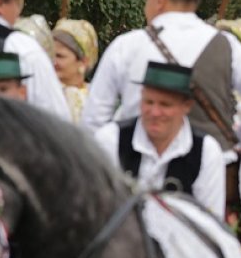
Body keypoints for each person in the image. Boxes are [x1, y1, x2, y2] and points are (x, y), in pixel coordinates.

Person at [83, 0, 241, 152]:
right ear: (194, 1)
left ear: (159, 0)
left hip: (135, 171)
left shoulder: (127, 45)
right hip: (214, 169)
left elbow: (94, 118)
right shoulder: (225, 45)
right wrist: (238, 147)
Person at [94, 61, 225, 218]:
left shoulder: (206, 152)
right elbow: (95, 207)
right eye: (148, 102)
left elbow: (210, 223)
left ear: (187, 106)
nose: (154, 112)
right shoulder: (110, 139)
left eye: (165, 105)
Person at [0, 0, 70, 120]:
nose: (18, 10)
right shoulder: (23, 47)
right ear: (1, 4)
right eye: (16, 2)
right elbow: (56, 117)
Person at [52, 18, 98, 123]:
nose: (53, 62)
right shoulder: (44, 93)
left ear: (83, 62)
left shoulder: (95, 100)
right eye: (51, 55)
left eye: (60, 56)